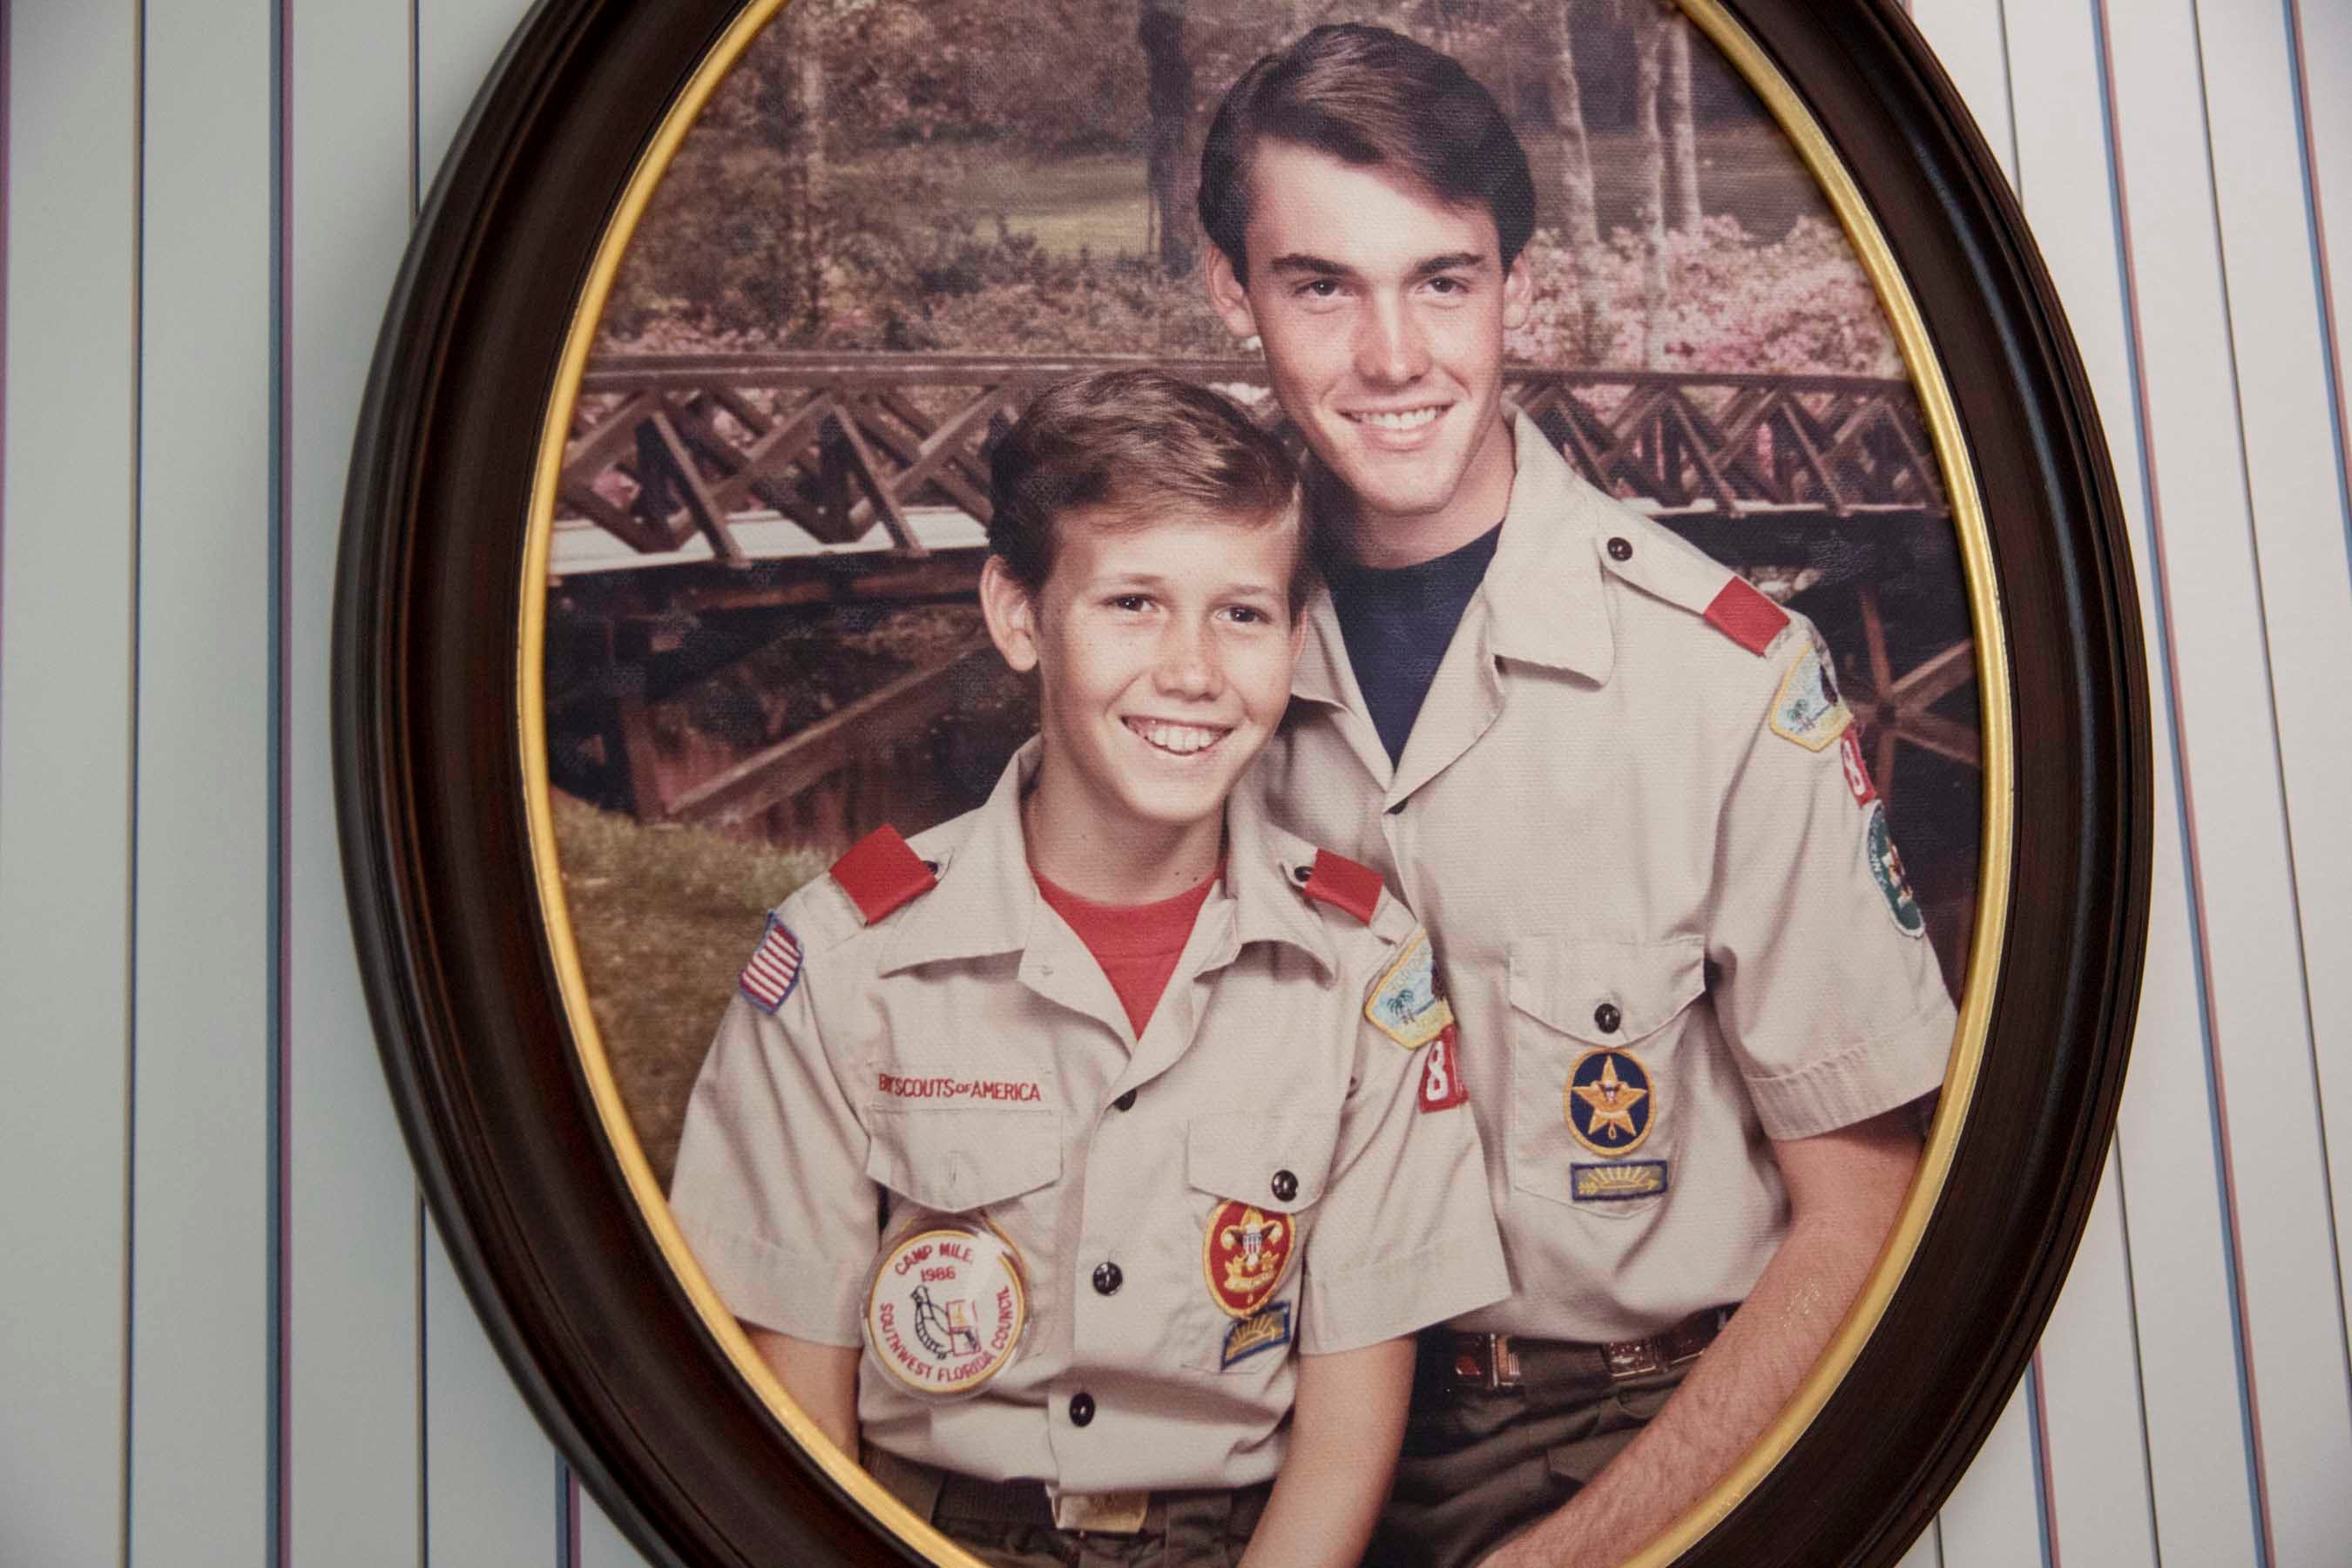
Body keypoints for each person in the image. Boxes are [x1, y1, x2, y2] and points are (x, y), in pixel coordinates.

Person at [1197, 26, 1959, 1568]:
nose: (1395, 358)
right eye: (1322, 286)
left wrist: (1581, 1556)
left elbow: (1868, 1206)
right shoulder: (1184, 668)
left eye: (1445, 281)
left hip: (1617, 1441)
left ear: (1517, 292)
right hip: (1264, 1446)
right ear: (1233, 291)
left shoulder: (1724, 680)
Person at [667, 368, 1511, 1568]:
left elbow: (1344, 1439)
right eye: (1131, 603)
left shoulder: (1365, 975)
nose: (1193, 670)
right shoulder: (845, 963)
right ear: (1019, 617)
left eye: (1243, 613)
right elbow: (793, 1418)